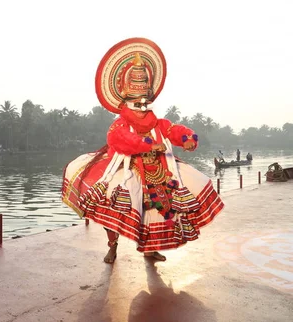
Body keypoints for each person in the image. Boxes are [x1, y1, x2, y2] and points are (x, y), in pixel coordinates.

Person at [62, 38, 224, 263]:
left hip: (158, 174)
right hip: (127, 171)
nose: (141, 108)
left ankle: (150, 249)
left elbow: (175, 130)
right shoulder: (120, 124)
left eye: (145, 103)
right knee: (117, 207)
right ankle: (113, 246)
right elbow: (119, 140)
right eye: (136, 103)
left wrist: (187, 139)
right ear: (126, 102)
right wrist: (148, 145)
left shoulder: (158, 124)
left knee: (157, 211)